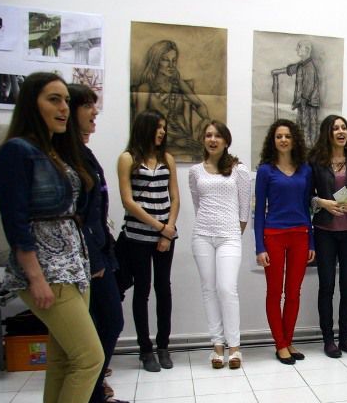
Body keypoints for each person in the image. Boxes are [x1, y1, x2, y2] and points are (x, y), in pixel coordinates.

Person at [0, 72, 108, 403]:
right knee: (89, 357)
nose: (63, 108)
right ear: (31, 104)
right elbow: (15, 221)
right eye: (53, 99)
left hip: (72, 264)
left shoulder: (53, 150)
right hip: (46, 268)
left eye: (65, 101)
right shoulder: (17, 152)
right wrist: (34, 276)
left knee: (63, 359)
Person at [67, 84, 131, 403]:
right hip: (87, 257)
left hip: (100, 251)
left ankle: (94, 392)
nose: (95, 113)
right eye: (88, 107)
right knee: (103, 324)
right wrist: (94, 257)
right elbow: (75, 215)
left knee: (109, 322)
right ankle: (86, 399)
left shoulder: (83, 152)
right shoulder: (66, 154)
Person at [118, 110, 180, 372]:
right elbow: (128, 201)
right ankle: (145, 349)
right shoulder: (128, 158)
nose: (162, 132)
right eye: (158, 127)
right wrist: (159, 227)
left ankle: (163, 345)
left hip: (166, 234)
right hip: (137, 236)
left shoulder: (167, 159)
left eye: (164, 127)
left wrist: (167, 230)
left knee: (163, 288)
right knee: (142, 289)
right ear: (144, 128)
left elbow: (174, 197)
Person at [189, 121, 250, 370]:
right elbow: (197, 204)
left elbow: (244, 210)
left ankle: (234, 347)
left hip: (229, 237)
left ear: (226, 141)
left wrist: (234, 233)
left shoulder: (239, 170)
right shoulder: (195, 171)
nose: (212, 140)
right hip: (202, 236)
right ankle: (217, 346)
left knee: (226, 289)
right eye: (208, 135)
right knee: (209, 290)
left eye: (217, 136)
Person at [255, 119, 315, 364]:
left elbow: (307, 207)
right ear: (273, 140)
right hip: (274, 236)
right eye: (279, 136)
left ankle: (288, 340)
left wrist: (311, 242)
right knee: (274, 292)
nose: (283, 140)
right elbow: (259, 211)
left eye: (287, 136)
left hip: (300, 235)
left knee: (293, 293)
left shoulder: (305, 170)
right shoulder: (265, 171)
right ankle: (280, 344)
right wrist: (259, 247)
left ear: (294, 140)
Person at [309, 115, 347, 358]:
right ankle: (328, 340)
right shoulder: (315, 161)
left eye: (344, 127)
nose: (341, 131)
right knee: (327, 286)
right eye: (335, 128)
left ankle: (345, 339)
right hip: (325, 232)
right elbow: (307, 196)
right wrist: (322, 202)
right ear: (328, 133)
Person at [133, 40, 211, 158]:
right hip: (158, 143)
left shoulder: (178, 84)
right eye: (165, 60)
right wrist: (173, 140)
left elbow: (199, 105)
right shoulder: (145, 88)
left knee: (203, 154)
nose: (171, 65)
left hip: (184, 140)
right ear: (156, 61)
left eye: (173, 60)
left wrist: (206, 119)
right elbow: (140, 126)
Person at [271, 41, 320, 146]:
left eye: (299, 47)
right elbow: (290, 69)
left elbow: (309, 87)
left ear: (307, 50)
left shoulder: (310, 67)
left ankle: (309, 147)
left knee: (308, 126)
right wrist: (276, 72)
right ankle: (303, 145)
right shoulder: (301, 65)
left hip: (308, 103)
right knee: (301, 125)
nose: (296, 49)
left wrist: (302, 101)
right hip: (302, 102)